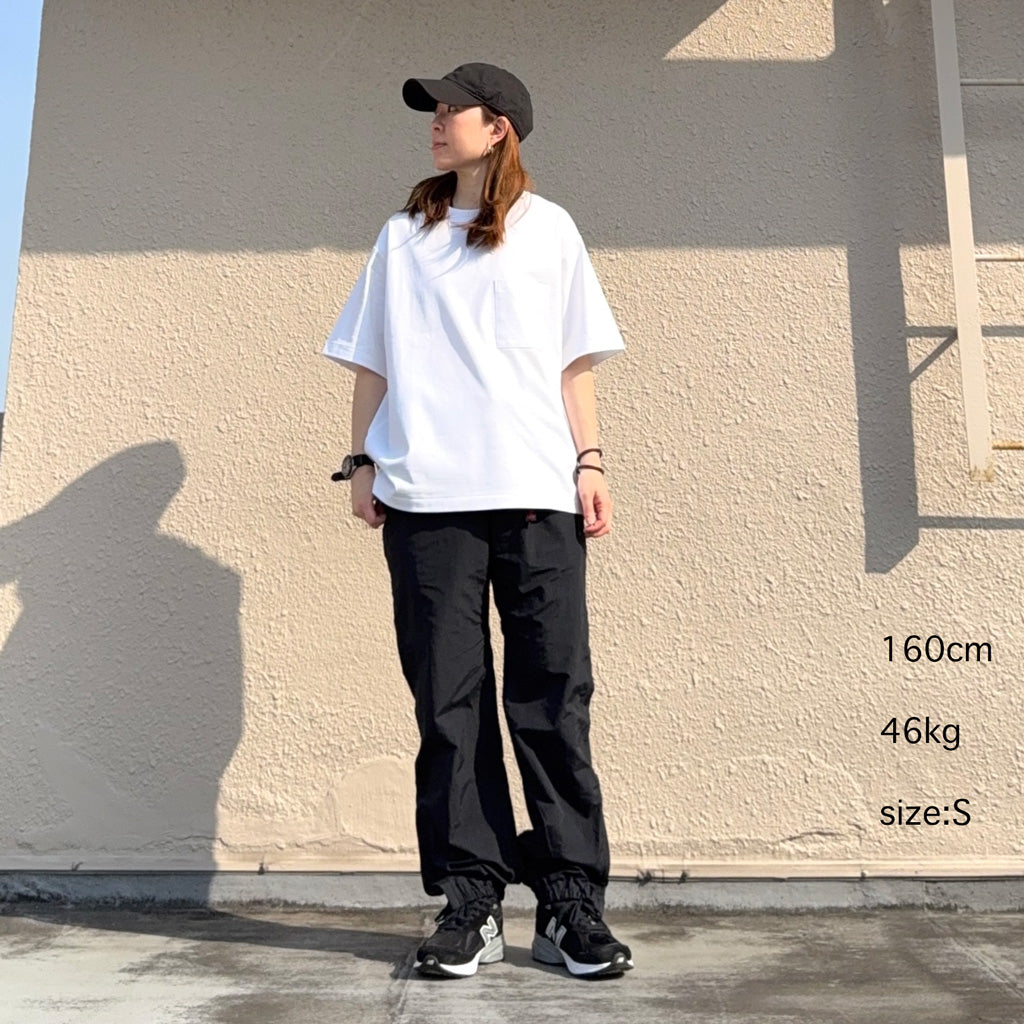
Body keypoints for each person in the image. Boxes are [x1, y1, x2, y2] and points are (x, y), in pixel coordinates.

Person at [323, 62, 633, 980]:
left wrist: (590, 461)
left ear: (498, 127)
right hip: (428, 502)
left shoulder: (550, 230)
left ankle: (570, 903)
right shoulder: (403, 237)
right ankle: (472, 900)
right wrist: (361, 460)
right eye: (433, 110)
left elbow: (574, 362)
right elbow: (372, 361)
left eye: (451, 109)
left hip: (537, 491)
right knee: (448, 706)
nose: (435, 121)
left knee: (552, 697)